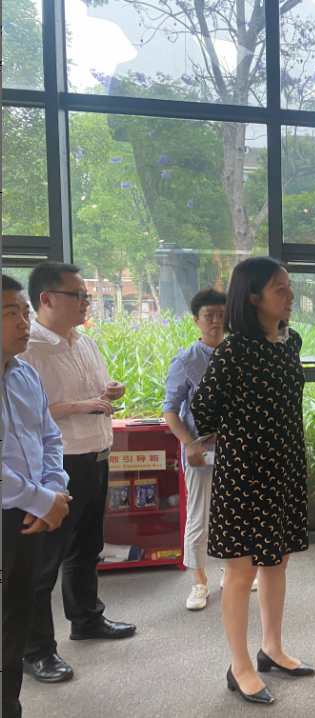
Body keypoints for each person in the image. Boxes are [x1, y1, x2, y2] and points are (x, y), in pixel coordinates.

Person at [191, 257, 313, 706]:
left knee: (277, 561)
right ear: (255, 297)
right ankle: (239, 666)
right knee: (241, 572)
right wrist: (243, 429)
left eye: (289, 286)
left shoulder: (290, 341)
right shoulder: (234, 350)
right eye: (281, 288)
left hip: (285, 467)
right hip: (244, 473)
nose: (290, 295)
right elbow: (202, 411)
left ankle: (272, 648)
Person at [20, 262, 136, 686]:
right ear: (47, 299)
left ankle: (86, 619)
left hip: (96, 455)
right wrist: (79, 406)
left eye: (87, 296)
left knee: (87, 547)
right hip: (58, 465)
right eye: (79, 296)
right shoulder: (27, 348)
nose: (87, 303)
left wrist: (111, 391)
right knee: (43, 561)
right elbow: (23, 416)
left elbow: (97, 390)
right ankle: (36, 651)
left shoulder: (84, 341)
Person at [2, 274, 73, 718]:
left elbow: (49, 438)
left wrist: (55, 490)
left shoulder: (25, 373)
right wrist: (40, 500)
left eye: (25, 313)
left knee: (15, 616)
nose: (24, 323)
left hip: (30, 516)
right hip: (15, 511)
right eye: (11, 313)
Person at [162, 288, 260, 611]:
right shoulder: (185, 361)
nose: (217, 320)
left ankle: (232, 571)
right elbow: (170, 410)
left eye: (221, 314)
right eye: (209, 315)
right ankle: (199, 580)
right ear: (196, 320)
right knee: (200, 516)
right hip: (201, 451)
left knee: (238, 513)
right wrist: (188, 443)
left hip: (237, 449)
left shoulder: (241, 354)